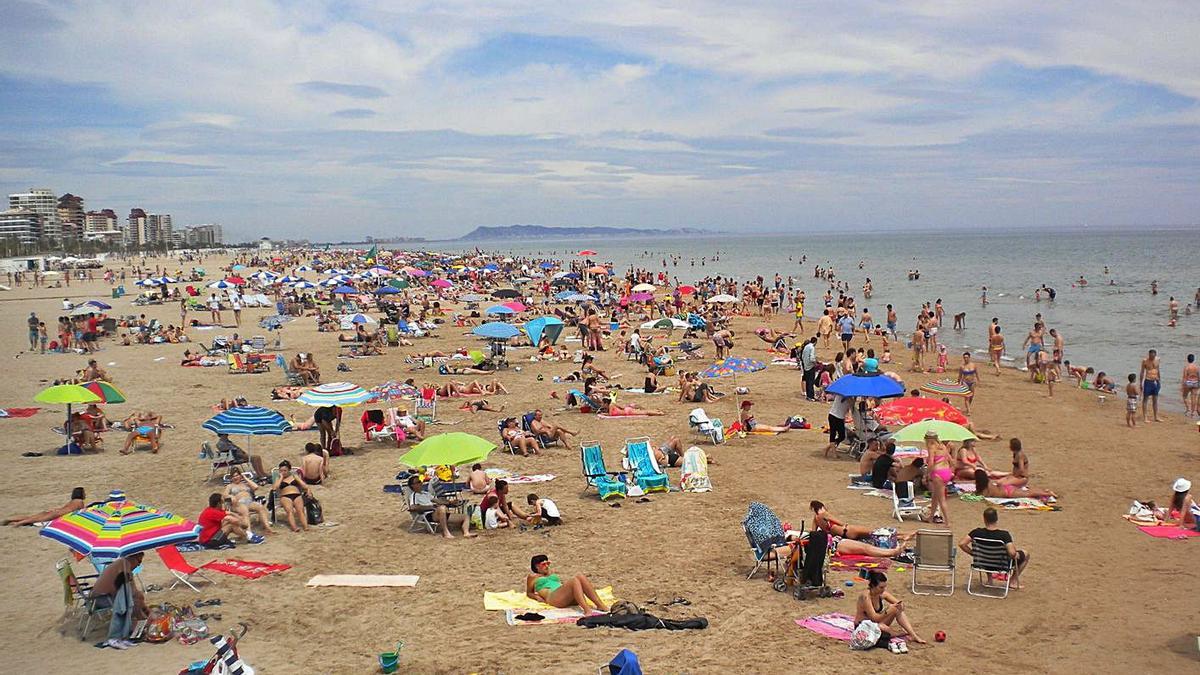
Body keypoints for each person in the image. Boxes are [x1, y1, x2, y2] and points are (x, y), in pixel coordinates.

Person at [959, 507, 1031, 589]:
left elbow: (962, 544)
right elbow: (1012, 553)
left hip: (983, 562)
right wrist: (1016, 554)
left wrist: (974, 553)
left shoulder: (976, 533)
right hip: (1001, 565)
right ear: (996, 519)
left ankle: (990, 580)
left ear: (984, 519)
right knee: (1026, 554)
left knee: (987, 554)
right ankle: (1012, 581)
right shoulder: (1004, 535)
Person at [91, 552, 148, 650]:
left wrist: (145, 609)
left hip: (104, 596)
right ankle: (115, 637)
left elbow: (135, 592)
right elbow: (131, 592)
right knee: (126, 602)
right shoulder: (124, 567)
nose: (139, 565)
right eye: (139, 561)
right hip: (101, 599)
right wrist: (143, 614)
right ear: (132, 558)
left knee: (131, 599)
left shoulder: (123, 564)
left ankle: (124, 635)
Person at [854, 572, 926, 646]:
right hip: (863, 626)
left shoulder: (881, 594)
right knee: (883, 627)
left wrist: (900, 606)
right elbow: (874, 618)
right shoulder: (866, 597)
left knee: (896, 610)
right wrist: (887, 611)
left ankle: (913, 635)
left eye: (884, 587)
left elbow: (899, 603)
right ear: (873, 586)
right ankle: (897, 633)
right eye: (881, 587)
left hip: (876, 624)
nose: (883, 589)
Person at [525, 554, 609, 613]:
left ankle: (600, 605)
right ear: (536, 566)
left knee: (580, 576)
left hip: (564, 597)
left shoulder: (551, 574)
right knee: (574, 580)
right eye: (543, 564)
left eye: (548, 563)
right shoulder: (533, 577)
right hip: (553, 598)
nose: (547, 566)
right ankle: (586, 609)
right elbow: (529, 593)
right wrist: (536, 597)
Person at [405, 475, 475, 539]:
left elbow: (438, 501)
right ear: (413, 486)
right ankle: (446, 532)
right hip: (426, 515)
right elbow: (413, 507)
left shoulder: (425, 493)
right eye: (418, 482)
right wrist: (430, 507)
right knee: (442, 508)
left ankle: (466, 533)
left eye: (420, 481)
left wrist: (450, 502)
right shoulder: (414, 495)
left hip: (438, 513)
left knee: (465, 517)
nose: (421, 483)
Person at [4, 487, 85, 526]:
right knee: (34, 520)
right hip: (58, 514)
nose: (85, 494)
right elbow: (80, 513)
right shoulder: (80, 501)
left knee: (32, 517)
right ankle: (18, 523)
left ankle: (12, 520)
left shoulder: (72, 501)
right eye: (84, 493)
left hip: (56, 511)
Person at [272, 460, 311, 532]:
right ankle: (294, 528)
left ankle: (305, 527)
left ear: (289, 470)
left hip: (297, 495)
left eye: (285, 470)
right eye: (281, 471)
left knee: (300, 511)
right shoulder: (278, 478)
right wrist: (281, 478)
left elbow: (304, 486)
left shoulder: (294, 476)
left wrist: (298, 479)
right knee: (290, 511)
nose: (283, 472)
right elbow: (274, 488)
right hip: (285, 496)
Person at [925, 431, 953, 526]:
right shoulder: (943, 446)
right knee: (935, 496)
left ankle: (947, 521)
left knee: (941, 498)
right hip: (946, 472)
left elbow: (931, 463)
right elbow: (951, 460)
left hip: (938, 473)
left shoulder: (932, 447)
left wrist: (927, 473)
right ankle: (931, 517)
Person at [973, 469, 1056, 500]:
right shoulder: (989, 482)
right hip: (1006, 488)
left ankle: (1048, 493)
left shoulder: (984, 490)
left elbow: (982, 495)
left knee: (1028, 494)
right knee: (1028, 492)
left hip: (1008, 493)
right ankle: (1044, 491)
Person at [823, 393, 851, 457]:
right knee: (833, 434)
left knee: (842, 436)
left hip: (840, 417)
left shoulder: (850, 399)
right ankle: (834, 453)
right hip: (833, 415)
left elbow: (847, 410)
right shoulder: (840, 395)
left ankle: (829, 448)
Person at [1139, 348, 1162, 422]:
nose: (1152, 358)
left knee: (1155, 399)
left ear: (1155, 355)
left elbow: (1158, 370)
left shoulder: (1158, 360)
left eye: (1153, 356)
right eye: (1150, 356)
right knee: (1145, 399)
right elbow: (1142, 372)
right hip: (1148, 381)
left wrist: (1159, 381)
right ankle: (1145, 417)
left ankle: (1156, 416)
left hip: (1155, 381)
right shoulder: (1145, 361)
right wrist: (1141, 383)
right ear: (1149, 355)